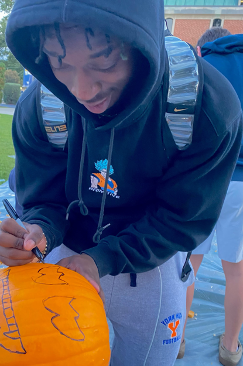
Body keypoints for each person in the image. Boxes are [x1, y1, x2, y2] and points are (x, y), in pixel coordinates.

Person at [0, 1, 243, 364]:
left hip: (149, 262)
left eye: (104, 61)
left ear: (141, 43)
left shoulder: (207, 107)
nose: (81, 90)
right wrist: (37, 229)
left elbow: (180, 218)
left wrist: (104, 258)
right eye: (59, 61)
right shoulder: (40, 106)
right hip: (62, 258)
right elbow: (43, 195)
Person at [180, 27, 243, 366]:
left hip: (206, 177)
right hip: (241, 183)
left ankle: (177, 337)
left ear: (205, 44)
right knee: (235, 270)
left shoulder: (201, 61)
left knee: (190, 262)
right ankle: (231, 347)